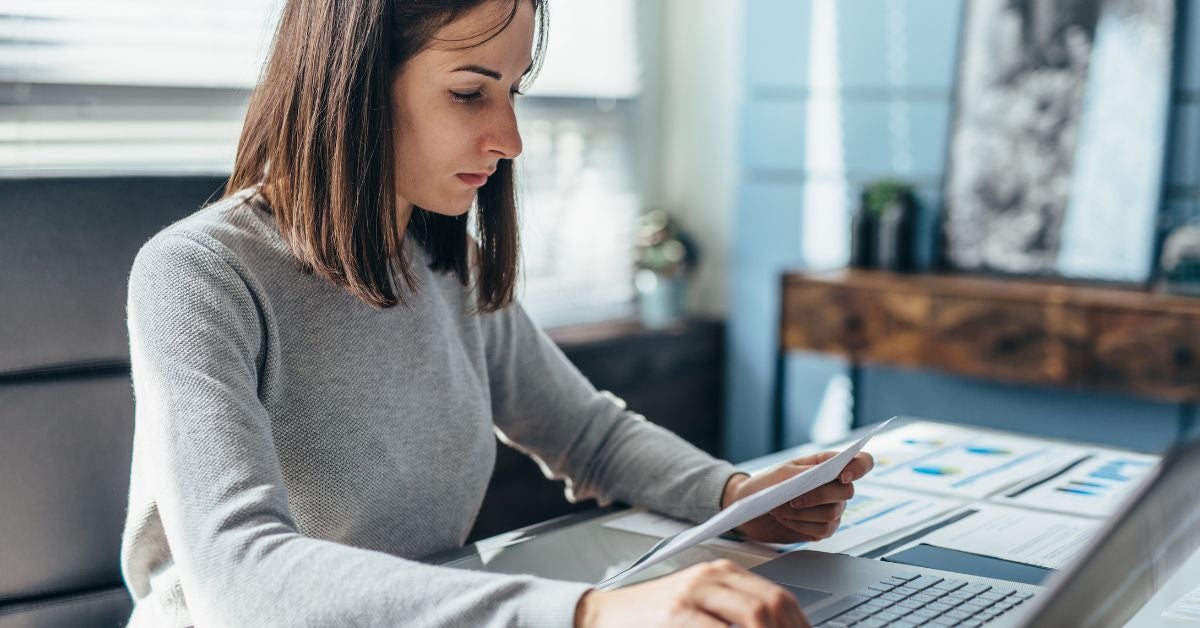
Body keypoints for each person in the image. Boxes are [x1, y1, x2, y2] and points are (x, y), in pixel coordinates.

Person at [118, 0, 874, 626]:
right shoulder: (197, 275)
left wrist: (734, 496)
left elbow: (588, 434)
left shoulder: (447, 265)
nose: (509, 139)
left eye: (512, 91)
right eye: (470, 91)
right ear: (351, 83)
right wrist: (590, 614)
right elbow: (238, 575)